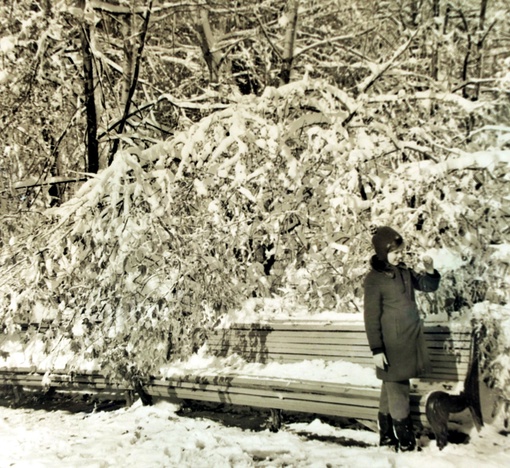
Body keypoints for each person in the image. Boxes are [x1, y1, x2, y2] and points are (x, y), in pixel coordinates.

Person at [363, 226, 441, 451]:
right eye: (395, 251)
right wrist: (377, 349)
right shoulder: (374, 279)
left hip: (408, 339)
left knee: (391, 387)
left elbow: (427, 286)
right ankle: (406, 441)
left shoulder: (405, 271)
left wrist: (430, 270)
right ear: (382, 251)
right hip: (392, 344)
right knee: (399, 388)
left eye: (401, 250)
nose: (400, 255)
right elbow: (371, 317)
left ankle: (387, 437)